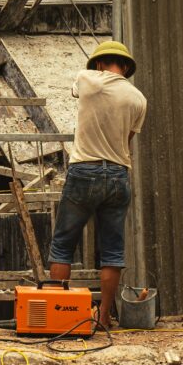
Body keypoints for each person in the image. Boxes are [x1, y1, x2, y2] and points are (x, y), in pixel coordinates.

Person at [48, 41, 147, 330]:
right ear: (126, 66)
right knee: (113, 251)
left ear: (100, 64)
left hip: (84, 170)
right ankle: (103, 316)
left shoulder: (86, 79)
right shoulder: (138, 98)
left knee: (63, 245)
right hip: (118, 173)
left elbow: (76, 92)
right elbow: (126, 141)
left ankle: (59, 315)